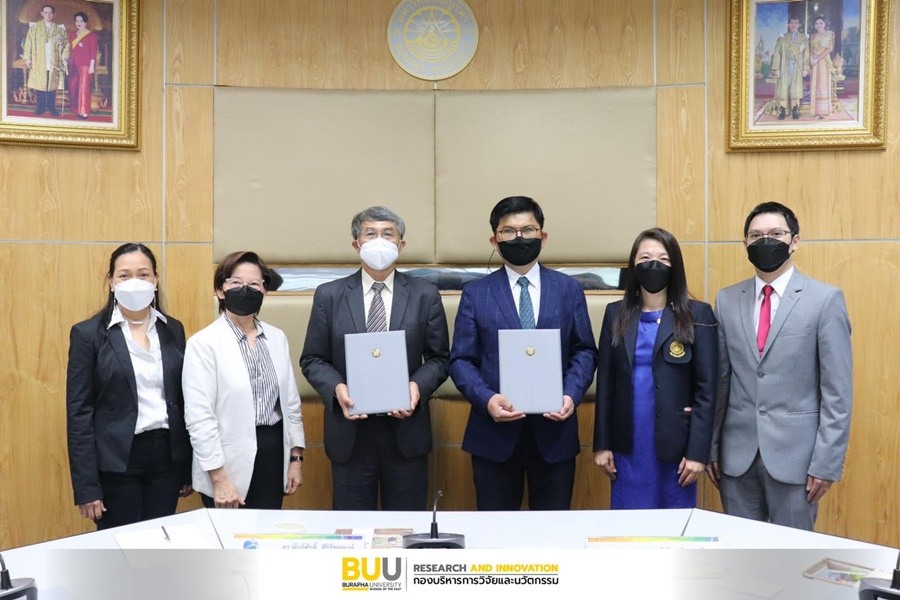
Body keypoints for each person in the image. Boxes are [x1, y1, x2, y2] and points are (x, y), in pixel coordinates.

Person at [707, 202, 852, 531]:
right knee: (741, 552)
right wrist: (712, 447)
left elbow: (837, 392)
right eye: (756, 235)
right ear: (745, 243)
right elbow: (721, 382)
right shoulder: (726, 300)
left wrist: (826, 463)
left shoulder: (825, 300)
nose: (765, 241)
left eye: (776, 234)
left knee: (792, 554)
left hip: (798, 461)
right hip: (736, 458)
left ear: (794, 241)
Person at [449, 196, 596, 511]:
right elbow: (461, 360)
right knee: (495, 531)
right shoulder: (476, 293)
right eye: (508, 231)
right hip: (493, 435)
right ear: (494, 240)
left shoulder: (568, 289)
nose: (519, 238)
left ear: (543, 236)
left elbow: (584, 350)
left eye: (528, 230)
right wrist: (487, 399)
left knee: (554, 531)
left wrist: (570, 394)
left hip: (555, 434)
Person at [300, 206, 450, 510]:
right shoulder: (329, 295)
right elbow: (313, 359)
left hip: (406, 432)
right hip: (351, 432)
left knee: (408, 526)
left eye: (388, 234)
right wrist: (337, 389)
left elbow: (440, 358)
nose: (379, 241)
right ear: (356, 244)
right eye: (370, 234)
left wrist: (417, 387)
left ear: (400, 245)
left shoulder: (425, 294)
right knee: (353, 527)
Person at [66, 243, 192, 530]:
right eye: (124, 275)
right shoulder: (88, 334)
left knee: (158, 541)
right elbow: (79, 414)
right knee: (121, 546)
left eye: (143, 274)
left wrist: (186, 468)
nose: (135, 281)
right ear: (111, 282)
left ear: (155, 280)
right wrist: (87, 487)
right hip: (117, 462)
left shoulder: (173, 329)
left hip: (166, 458)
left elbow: (182, 400)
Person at [593, 228, 717, 509]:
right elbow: (606, 384)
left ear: (675, 265)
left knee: (674, 524)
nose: (653, 265)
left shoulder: (698, 314)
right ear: (633, 264)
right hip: (628, 442)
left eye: (663, 259)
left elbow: (707, 389)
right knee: (630, 522)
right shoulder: (615, 313)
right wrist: (602, 444)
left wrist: (698, 453)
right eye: (645, 258)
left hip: (677, 444)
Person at [183, 251, 305, 509]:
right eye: (235, 283)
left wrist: (296, 458)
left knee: (267, 531)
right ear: (220, 290)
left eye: (254, 284)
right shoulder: (203, 344)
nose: (245, 290)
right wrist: (219, 479)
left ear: (264, 291)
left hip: (274, 456)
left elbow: (291, 404)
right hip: (226, 462)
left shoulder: (276, 337)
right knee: (231, 534)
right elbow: (199, 418)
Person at [22, 5, 70, 116]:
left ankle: (52, 107)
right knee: (41, 85)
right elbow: (28, 42)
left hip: (54, 61)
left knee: (52, 85)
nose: (48, 15)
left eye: (50, 13)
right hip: (39, 60)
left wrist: (64, 57)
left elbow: (66, 44)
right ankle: (41, 107)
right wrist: (28, 58)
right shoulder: (35, 27)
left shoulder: (59, 29)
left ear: (53, 14)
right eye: (46, 12)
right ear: (42, 13)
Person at [770, 17, 809, 120]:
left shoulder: (803, 39)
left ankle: (795, 109)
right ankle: (783, 110)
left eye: (796, 22)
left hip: (797, 67)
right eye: (792, 23)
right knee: (783, 88)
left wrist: (805, 68)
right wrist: (776, 69)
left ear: (799, 25)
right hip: (784, 67)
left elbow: (806, 54)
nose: (794, 25)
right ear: (788, 25)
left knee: (795, 88)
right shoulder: (782, 38)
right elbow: (777, 53)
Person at [67, 12, 98, 120]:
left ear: (85, 22)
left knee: (83, 89)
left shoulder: (91, 35)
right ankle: (76, 109)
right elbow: (69, 50)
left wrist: (92, 66)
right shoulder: (72, 35)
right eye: (77, 21)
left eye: (81, 21)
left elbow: (93, 52)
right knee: (74, 87)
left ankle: (84, 112)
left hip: (85, 65)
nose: (79, 23)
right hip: (73, 64)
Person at [809, 16, 835, 119]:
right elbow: (811, 49)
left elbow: (829, 49)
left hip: (824, 62)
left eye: (820, 23)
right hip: (815, 63)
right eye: (816, 23)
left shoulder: (830, 34)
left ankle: (823, 111)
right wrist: (812, 57)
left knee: (823, 84)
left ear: (824, 24)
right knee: (815, 84)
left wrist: (818, 58)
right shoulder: (813, 36)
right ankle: (815, 110)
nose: (818, 25)